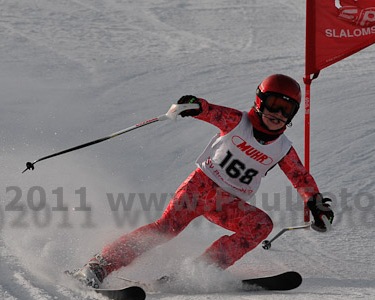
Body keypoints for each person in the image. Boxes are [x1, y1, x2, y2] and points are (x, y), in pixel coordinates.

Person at [72, 74, 334, 288]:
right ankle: (99, 265)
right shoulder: (238, 122)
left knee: (260, 225)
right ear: (259, 102)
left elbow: (300, 176)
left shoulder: (282, 148)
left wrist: (314, 202)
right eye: (274, 104)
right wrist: (195, 105)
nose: (278, 113)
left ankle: (199, 270)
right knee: (166, 229)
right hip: (199, 189)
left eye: (286, 109)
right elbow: (212, 112)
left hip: (228, 203)